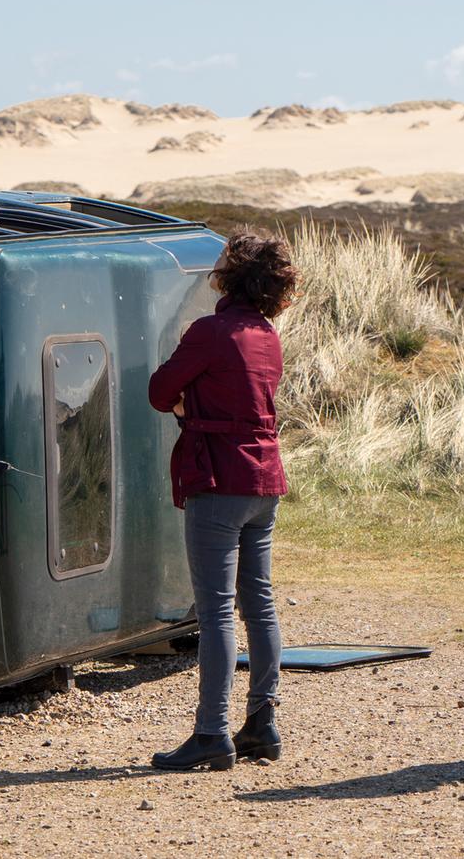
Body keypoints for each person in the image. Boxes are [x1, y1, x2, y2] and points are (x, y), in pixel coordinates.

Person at [145, 231, 297, 771]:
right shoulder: (268, 334)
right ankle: (263, 721)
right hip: (265, 478)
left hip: (218, 477)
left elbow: (159, 391)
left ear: (227, 277)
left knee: (215, 612)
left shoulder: (209, 332)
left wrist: (188, 407)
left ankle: (211, 731)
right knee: (259, 601)